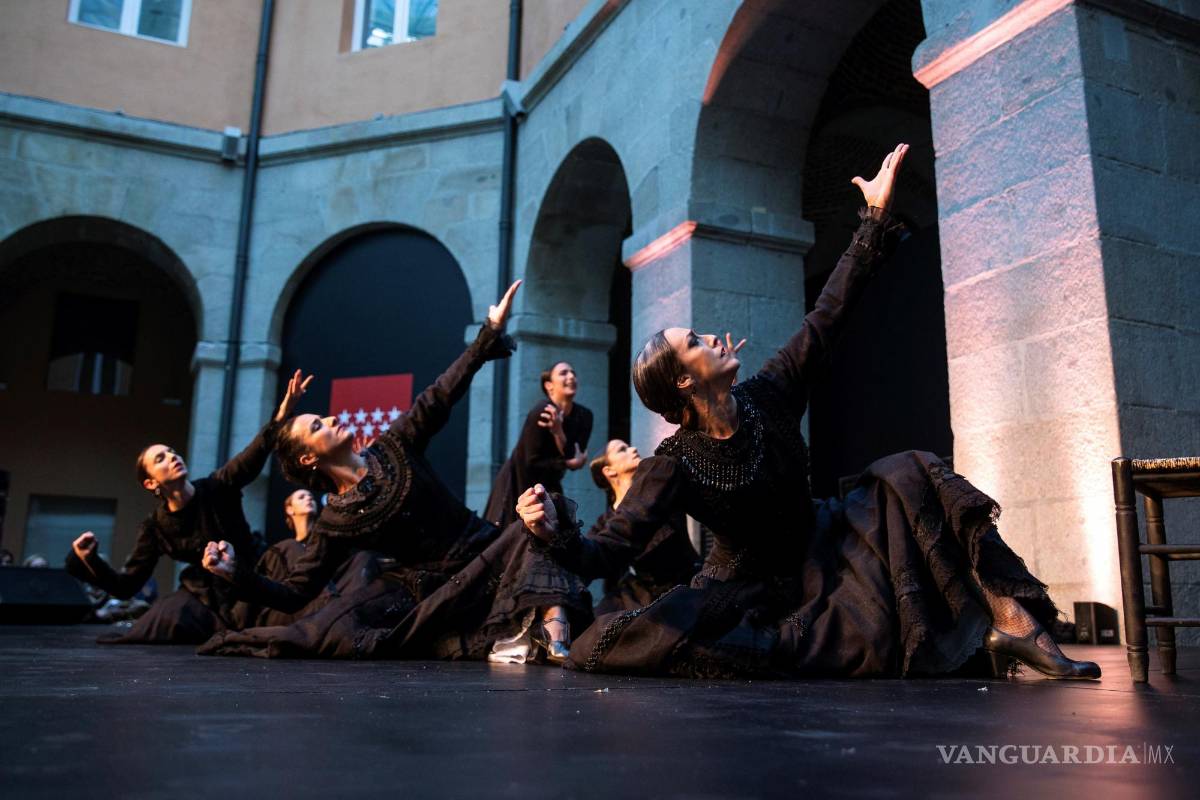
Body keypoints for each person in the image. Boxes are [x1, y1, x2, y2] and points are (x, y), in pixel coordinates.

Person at [518, 143, 1100, 681]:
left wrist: (871, 222)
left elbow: (827, 318)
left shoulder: (767, 394)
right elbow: (608, 549)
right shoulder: (673, 464)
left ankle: (1018, 626)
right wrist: (550, 530)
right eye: (696, 341)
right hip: (749, 589)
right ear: (683, 381)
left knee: (912, 471)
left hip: (822, 540)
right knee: (674, 643)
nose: (715, 338)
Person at [198, 281, 591, 663]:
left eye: (322, 417)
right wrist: (236, 573)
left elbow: (438, 395)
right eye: (318, 426)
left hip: (489, 551)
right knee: (337, 629)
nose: (331, 418)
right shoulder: (336, 520)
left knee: (545, 508)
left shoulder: (393, 445)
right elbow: (296, 593)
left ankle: (555, 632)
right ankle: (538, 631)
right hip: (446, 588)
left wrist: (488, 333)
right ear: (307, 459)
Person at [63, 371, 312, 644]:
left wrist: (283, 412)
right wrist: (89, 559)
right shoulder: (156, 527)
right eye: (161, 458)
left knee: (288, 561)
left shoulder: (218, 485)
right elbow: (127, 586)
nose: (172, 457)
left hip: (252, 580)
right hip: (209, 598)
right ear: (150, 483)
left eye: (172, 451)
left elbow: (255, 453)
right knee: (165, 614)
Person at [588, 439, 701, 614]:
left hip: (687, 586)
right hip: (645, 598)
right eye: (622, 450)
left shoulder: (660, 489)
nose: (633, 449)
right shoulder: (605, 523)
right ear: (609, 471)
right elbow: (588, 556)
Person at [483, 361, 593, 528]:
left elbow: (574, 457)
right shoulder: (541, 412)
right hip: (520, 484)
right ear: (549, 385)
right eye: (563, 373)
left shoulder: (584, 416)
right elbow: (530, 462)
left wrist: (558, 432)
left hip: (550, 483)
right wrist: (566, 463)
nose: (571, 376)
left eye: (573, 373)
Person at [255, 489, 320, 582]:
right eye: (301, 497)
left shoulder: (325, 538)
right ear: (290, 509)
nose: (309, 498)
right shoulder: (284, 550)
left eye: (312, 497)